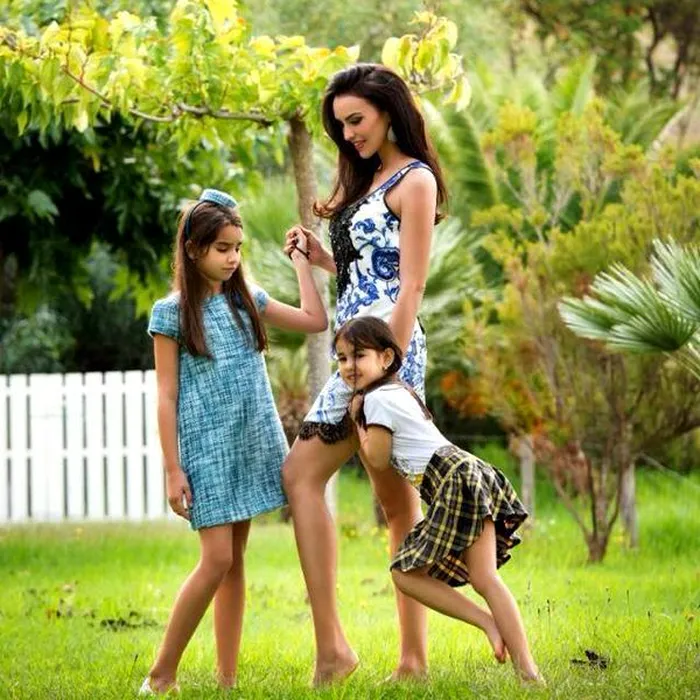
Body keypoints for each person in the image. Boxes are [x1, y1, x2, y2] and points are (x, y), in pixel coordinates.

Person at [281, 62, 448, 685]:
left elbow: (410, 286)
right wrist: (318, 255)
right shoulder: (368, 178)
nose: (349, 134)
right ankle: (339, 650)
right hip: (356, 355)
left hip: (387, 357)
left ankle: (409, 661)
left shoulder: (415, 180)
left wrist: (386, 373)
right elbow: (365, 272)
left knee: (388, 501)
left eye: (357, 120)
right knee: (361, 493)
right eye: (341, 126)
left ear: (388, 110)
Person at [140, 189, 327, 694]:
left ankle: (226, 680)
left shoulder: (248, 300)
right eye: (222, 248)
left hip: (250, 440)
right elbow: (166, 396)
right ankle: (160, 674)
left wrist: (303, 265)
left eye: (238, 248)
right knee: (217, 558)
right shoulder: (170, 314)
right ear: (193, 248)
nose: (232, 258)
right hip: (206, 450)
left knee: (234, 562)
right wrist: (173, 469)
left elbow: (316, 321)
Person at [337, 316, 541, 683]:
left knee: (404, 573)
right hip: (469, 470)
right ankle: (528, 672)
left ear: (386, 358)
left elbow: (378, 459)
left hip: (450, 478)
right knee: (485, 578)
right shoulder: (399, 391)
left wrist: (358, 423)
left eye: (359, 355)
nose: (350, 366)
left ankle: (487, 622)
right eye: (342, 358)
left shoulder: (375, 401)